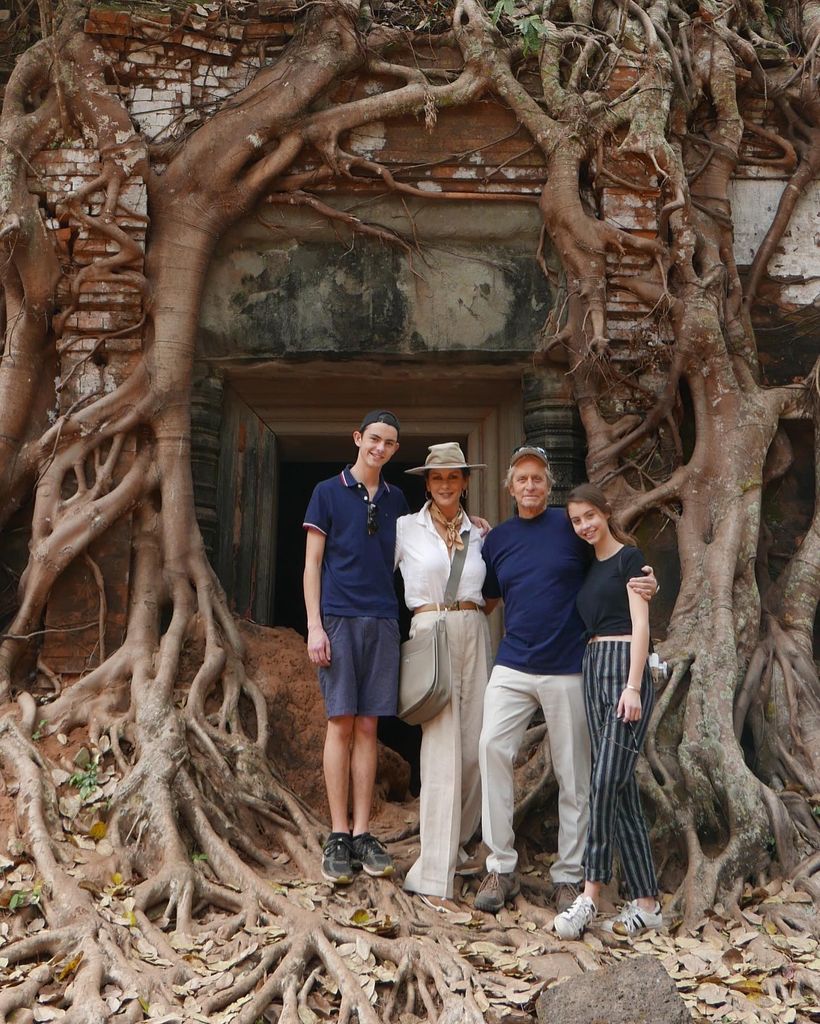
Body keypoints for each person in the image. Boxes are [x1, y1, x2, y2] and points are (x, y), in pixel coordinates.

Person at [474, 446, 656, 915]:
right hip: (512, 663)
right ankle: (500, 865)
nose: (530, 486)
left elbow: (610, 556)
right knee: (492, 748)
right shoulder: (496, 541)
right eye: (522, 479)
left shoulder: (571, 526)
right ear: (510, 487)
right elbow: (490, 597)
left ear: (547, 484)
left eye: (538, 478)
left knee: (574, 773)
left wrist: (645, 578)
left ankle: (569, 876)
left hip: (569, 667)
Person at [303, 410, 409, 884]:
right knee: (340, 722)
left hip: (383, 620)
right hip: (339, 620)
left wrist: (475, 527)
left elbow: (427, 541)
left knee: (369, 725)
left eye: (388, 443)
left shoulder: (399, 500)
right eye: (373, 439)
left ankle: (364, 832)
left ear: (394, 450)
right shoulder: (327, 492)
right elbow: (312, 565)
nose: (379, 448)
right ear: (357, 439)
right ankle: (338, 833)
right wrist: (314, 625)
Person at [553, 483, 661, 939]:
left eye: (589, 516)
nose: (584, 526)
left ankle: (590, 895)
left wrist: (634, 686)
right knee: (619, 791)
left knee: (602, 783)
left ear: (605, 511)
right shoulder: (587, 565)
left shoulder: (630, 560)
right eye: (576, 520)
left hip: (624, 672)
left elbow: (641, 626)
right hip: (593, 667)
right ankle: (648, 904)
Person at [395, 443, 492, 913]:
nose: (446, 485)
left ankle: (457, 846)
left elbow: (492, 590)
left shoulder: (480, 533)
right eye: (438, 478)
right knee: (439, 749)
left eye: (454, 477)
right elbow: (370, 573)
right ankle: (432, 874)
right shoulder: (404, 529)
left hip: (474, 629)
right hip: (430, 629)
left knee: (475, 746)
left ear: (466, 482)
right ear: (427, 484)